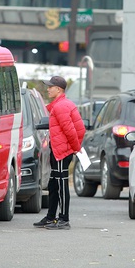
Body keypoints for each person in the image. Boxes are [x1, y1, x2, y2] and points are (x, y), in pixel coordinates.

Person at [33, 75, 85, 230]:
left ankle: (64, 219)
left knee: (61, 185)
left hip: (62, 152)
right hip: (58, 150)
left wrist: (75, 148)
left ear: (59, 89)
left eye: (50, 87)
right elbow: (78, 128)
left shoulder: (62, 106)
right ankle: (51, 217)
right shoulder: (60, 105)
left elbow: (71, 131)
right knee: (53, 183)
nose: (48, 89)